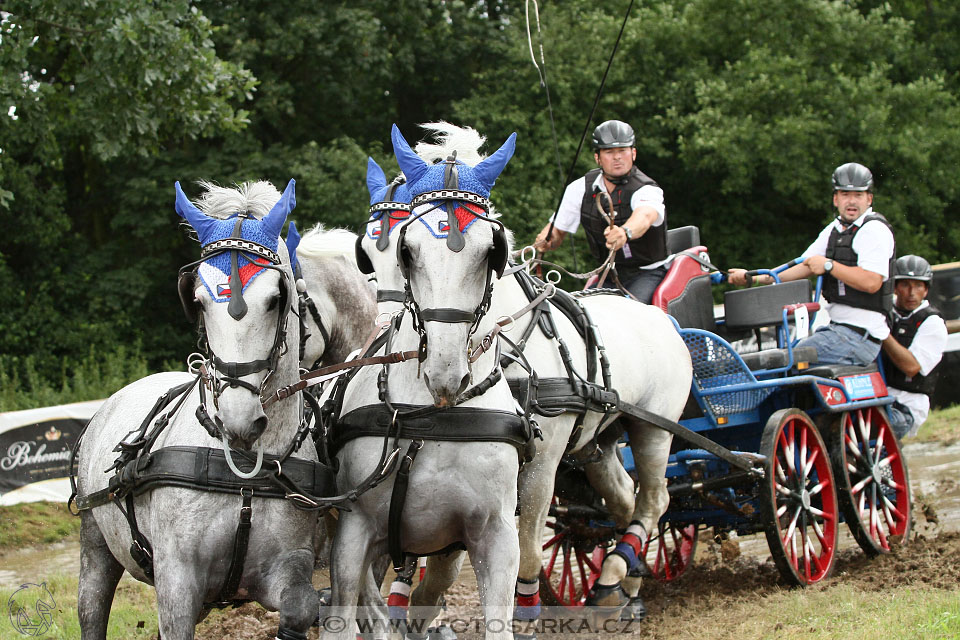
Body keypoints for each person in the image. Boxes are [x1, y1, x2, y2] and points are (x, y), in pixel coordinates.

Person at [728, 162, 896, 366]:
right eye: (845, 194)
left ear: (869, 199)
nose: (851, 201)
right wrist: (753, 278)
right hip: (838, 331)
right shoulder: (836, 229)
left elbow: (871, 282)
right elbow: (805, 265)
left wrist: (829, 266)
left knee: (779, 365)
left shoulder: (873, 230)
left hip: (857, 337)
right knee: (783, 364)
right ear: (836, 199)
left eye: (858, 195)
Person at [533, 119, 669, 303]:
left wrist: (624, 232)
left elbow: (645, 216)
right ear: (597, 157)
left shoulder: (647, 189)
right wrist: (547, 240)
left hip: (649, 273)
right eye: (609, 152)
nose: (617, 157)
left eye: (623, 150)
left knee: (631, 314)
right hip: (608, 275)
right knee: (581, 314)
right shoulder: (579, 189)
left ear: (633, 153)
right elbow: (556, 231)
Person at [881, 255, 948, 439]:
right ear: (895, 287)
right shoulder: (884, 313)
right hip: (876, 399)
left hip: (907, 406)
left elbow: (911, 367)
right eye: (905, 285)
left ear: (926, 290)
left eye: (918, 286)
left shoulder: (932, 323)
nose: (912, 292)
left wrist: (883, 333)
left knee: (870, 428)